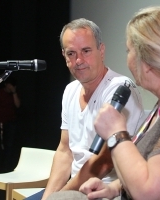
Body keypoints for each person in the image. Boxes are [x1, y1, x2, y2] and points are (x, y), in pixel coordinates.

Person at [46, 6, 160, 200]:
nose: (128, 59)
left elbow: (152, 194)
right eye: (71, 53)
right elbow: (154, 169)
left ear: (148, 59)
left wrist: (116, 133)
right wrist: (115, 188)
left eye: (129, 50)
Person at [26, 18, 143, 200]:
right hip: (75, 187)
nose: (78, 60)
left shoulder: (119, 90)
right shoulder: (70, 90)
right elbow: (65, 151)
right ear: (64, 56)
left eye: (86, 51)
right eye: (71, 53)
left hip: (107, 190)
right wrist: (49, 196)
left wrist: (59, 196)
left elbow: (104, 162)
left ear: (101, 51)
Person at [0, 75, 21, 172]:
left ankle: (7, 168)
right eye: (11, 85)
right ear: (6, 84)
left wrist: (14, 92)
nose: (12, 87)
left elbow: (17, 105)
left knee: (9, 146)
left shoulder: (14, 93)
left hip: (10, 122)